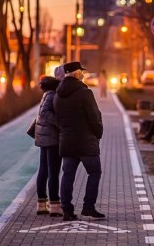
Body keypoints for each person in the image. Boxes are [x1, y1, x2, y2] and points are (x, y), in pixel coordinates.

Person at [54, 61, 105, 221]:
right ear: (75, 73)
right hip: (85, 141)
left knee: (67, 175)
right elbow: (94, 116)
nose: (83, 74)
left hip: (67, 141)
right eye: (81, 72)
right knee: (94, 172)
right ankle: (88, 207)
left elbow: (57, 119)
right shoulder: (85, 93)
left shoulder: (58, 94)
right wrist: (98, 133)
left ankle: (67, 210)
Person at [34, 75, 63, 216]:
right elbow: (45, 113)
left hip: (43, 137)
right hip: (51, 138)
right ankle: (55, 204)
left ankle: (41, 203)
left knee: (44, 170)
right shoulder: (52, 96)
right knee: (53, 172)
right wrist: (60, 123)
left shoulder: (46, 95)